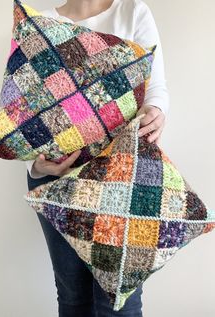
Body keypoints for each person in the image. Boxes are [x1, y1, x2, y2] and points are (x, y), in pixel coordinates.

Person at [26, 0, 170, 316]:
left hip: (121, 174)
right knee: (73, 297)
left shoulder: (132, 12)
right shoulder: (40, 22)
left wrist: (155, 111)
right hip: (57, 177)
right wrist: (35, 165)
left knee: (119, 302)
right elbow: (24, 112)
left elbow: (154, 88)